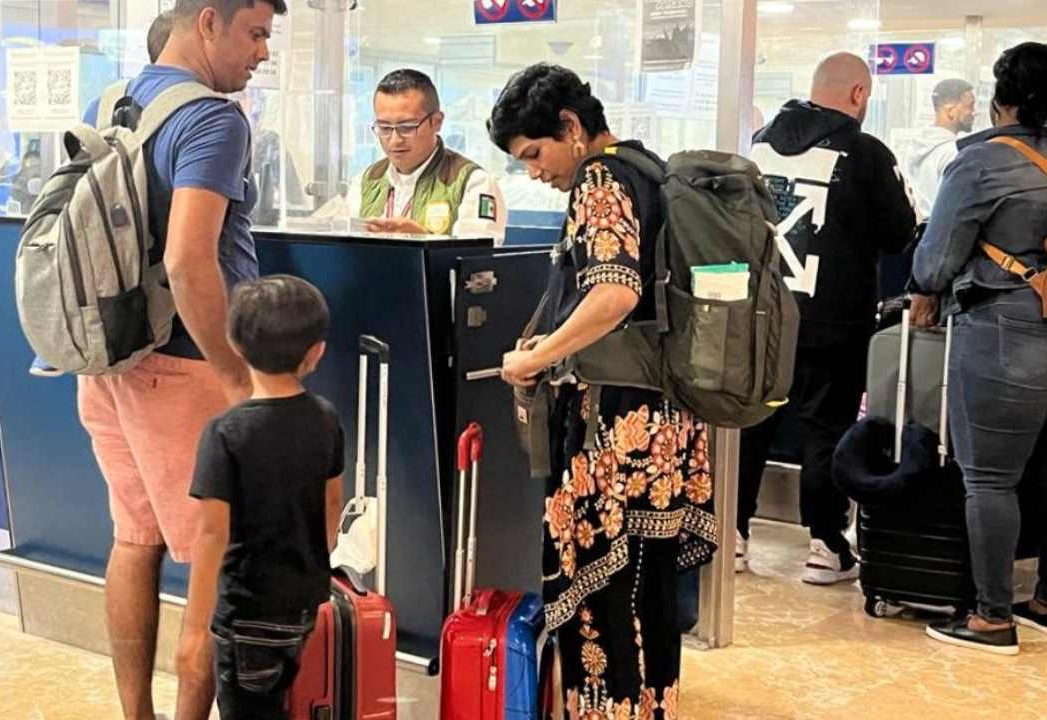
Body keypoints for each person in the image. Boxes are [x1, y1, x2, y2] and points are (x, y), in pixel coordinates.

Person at [73, 1, 284, 718]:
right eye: (256, 33)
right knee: (216, 559)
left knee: (134, 541)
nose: (262, 52)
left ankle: (138, 714)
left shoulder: (113, 103)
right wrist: (236, 377)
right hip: (186, 367)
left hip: (111, 361)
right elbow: (190, 260)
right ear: (208, 23)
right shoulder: (213, 121)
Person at [490, 63, 716, 720]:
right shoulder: (647, 169)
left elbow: (614, 292)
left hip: (611, 423)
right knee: (649, 586)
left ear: (570, 126)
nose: (533, 171)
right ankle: (650, 707)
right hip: (663, 419)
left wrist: (539, 356)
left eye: (534, 153)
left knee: (600, 587)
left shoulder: (599, 179)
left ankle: (603, 711)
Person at [737, 52, 917, 582]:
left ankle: (735, 538)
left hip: (762, 316)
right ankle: (825, 546)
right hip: (835, 320)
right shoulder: (866, 154)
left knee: (751, 425)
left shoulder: (758, 146)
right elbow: (900, 233)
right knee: (826, 429)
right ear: (859, 95)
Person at [912, 42, 1047, 656]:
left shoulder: (985, 162)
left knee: (991, 478)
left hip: (1005, 330)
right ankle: (1043, 599)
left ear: (1001, 101)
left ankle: (992, 617)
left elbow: (935, 260)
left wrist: (927, 290)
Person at [183, 274, 345, 719]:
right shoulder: (325, 418)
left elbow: (212, 534)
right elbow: (332, 505)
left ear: (234, 346)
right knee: (275, 699)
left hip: (245, 610)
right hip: (301, 603)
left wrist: (194, 631)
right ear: (316, 353)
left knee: (248, 708)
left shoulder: (225, 432)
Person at [347, 69, 507, 243]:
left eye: (407, 127)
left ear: (437, 122)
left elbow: (477, 256)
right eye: (384, 128)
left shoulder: (473, 182)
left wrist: (424, 243)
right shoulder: (365, 181)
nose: (394, 140)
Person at [903, 78, 976, 220]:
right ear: (950, 110)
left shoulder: (914, 147)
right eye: (970, 106)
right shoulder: (953, 153)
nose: (974, 112)